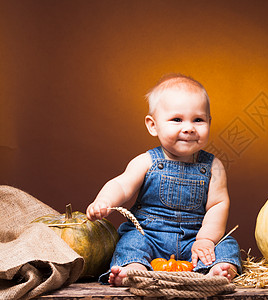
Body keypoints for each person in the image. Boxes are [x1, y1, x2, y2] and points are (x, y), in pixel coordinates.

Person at [86, 74, 242, 286]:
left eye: (198, 119)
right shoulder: (146, 161)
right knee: (131, 242)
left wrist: (206, 239)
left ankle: (217, 270)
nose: (188, 128)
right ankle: (134, 269)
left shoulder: (213, 166)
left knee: (227, 244)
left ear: (209, 122)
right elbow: (122, 185)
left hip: (194, 239)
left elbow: (218, 204)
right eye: (177, 119)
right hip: (149, 235)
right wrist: (104, 201)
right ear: (153, 125)